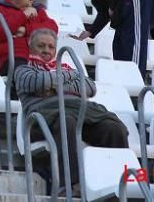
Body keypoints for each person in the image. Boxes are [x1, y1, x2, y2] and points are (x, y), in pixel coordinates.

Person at [13, 29, 129, 185]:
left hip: (80, 114)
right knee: (66, 121)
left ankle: (116, 183)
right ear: (31, 47)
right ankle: (70, 184)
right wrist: (69, 78)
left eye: (51, 47)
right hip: (45, 118)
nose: (46, 50)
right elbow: (36, 82)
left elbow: (89, 86)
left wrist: (53, 85)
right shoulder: (23, 70)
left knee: (114, 128)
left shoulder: (67, 67)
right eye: (41, 46)